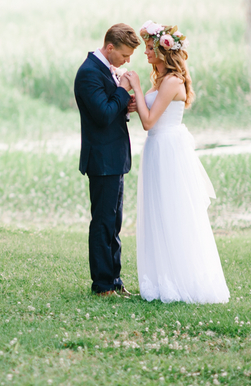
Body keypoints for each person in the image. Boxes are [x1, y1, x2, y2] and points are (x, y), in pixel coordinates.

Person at [121, 21, 230, 304]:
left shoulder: (171, 81)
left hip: (167, 148)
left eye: (148, 48)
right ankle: (162, 278)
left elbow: (147, 122)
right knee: (158, 210)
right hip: (157, 148)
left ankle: (180, 280)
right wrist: (136, 100)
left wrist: (134, 85)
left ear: (162, 50)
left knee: (173, 211)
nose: (145, 53)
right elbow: (149, 111)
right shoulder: (161, 81)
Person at [73, 23, 141, 297]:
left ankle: (114, 279)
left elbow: (110, 108)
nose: (127, 61)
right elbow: (101, 115)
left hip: (114, 157)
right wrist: (123, 89)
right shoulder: (89, 73)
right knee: (102, 222)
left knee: (114, 222)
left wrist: (125, 104)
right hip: (101, 159)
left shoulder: (103, 69)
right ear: (110, 47)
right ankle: (102, 284)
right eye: (124, 55)